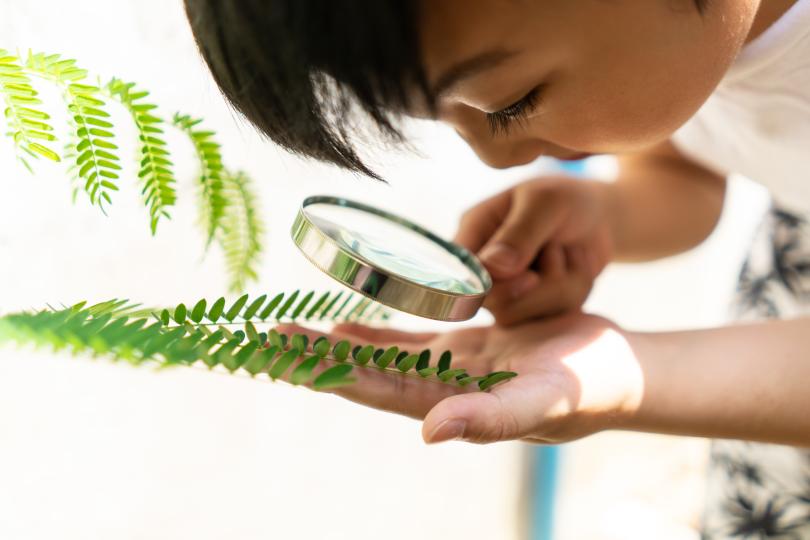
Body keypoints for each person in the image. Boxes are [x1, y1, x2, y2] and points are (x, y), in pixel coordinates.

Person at [183, 1, 810, 536]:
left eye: (513, 103)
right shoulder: (693, 47)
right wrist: (606, 215)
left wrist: (637, 373)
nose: (494, 159)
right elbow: (689, 174)